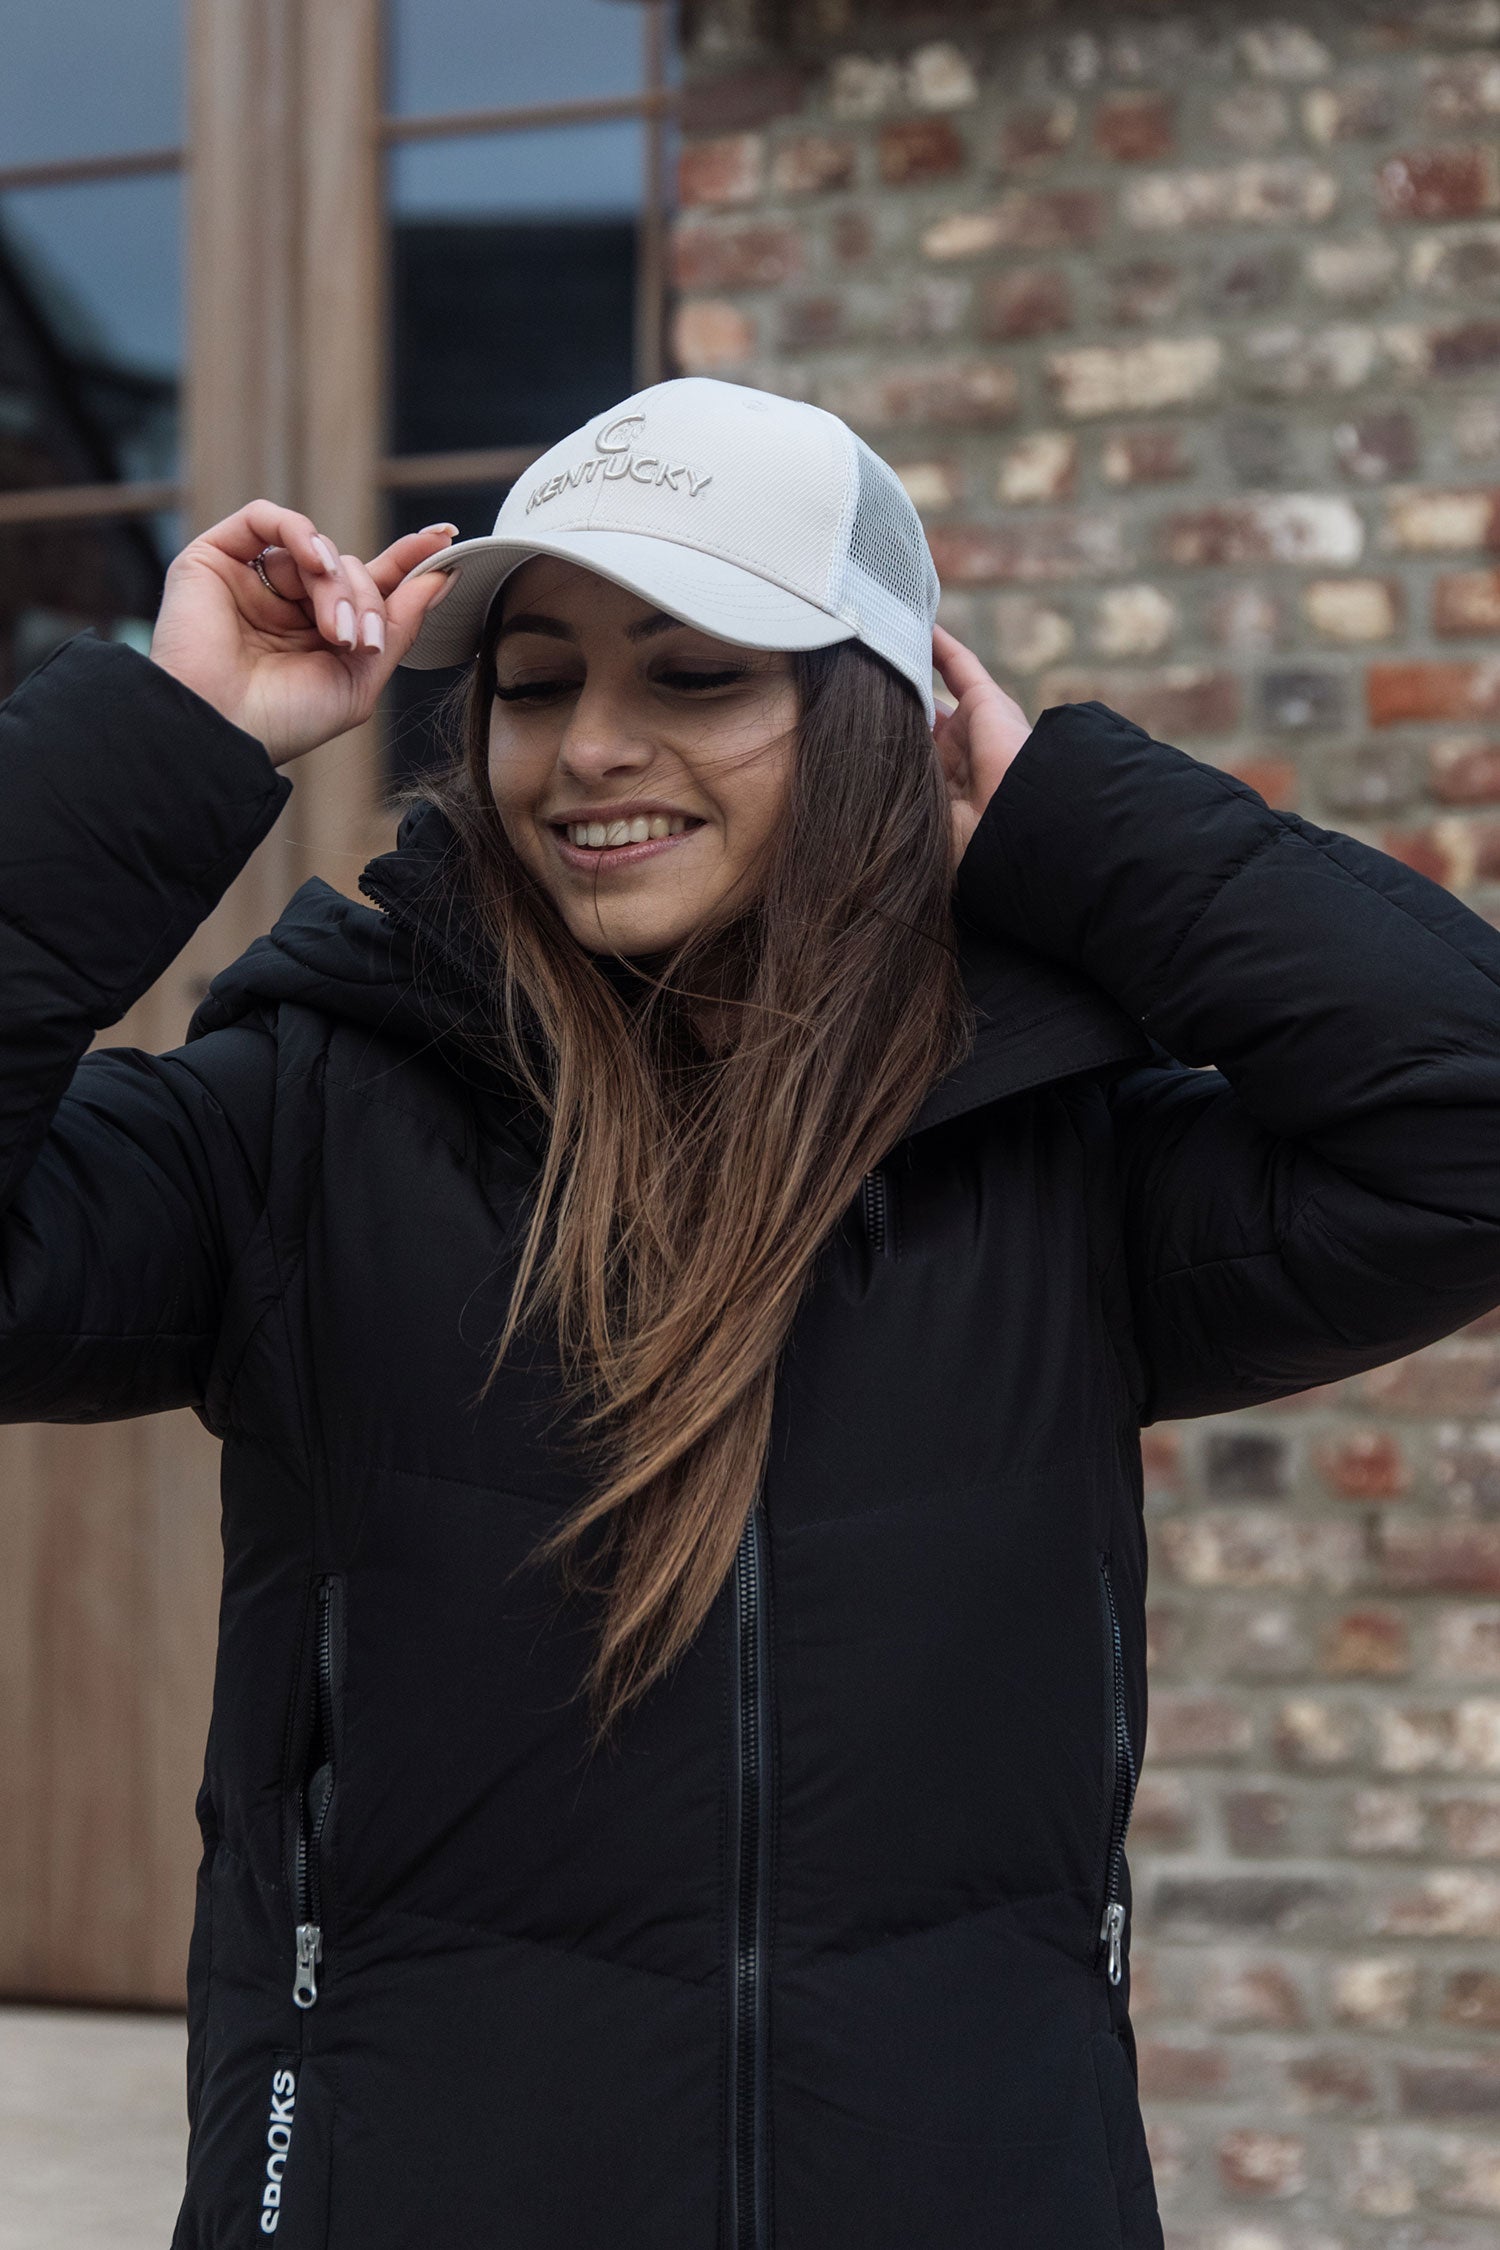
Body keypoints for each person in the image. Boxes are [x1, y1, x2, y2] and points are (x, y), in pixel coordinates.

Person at [3, 377, 1499, 2250]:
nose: (588, 747)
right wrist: (156, 744)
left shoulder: (1054, 1157)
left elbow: (1465, 1127)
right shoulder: (299, 1125)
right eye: (534, 684)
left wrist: (1072, 819)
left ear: (873, 718)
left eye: (696, 673)